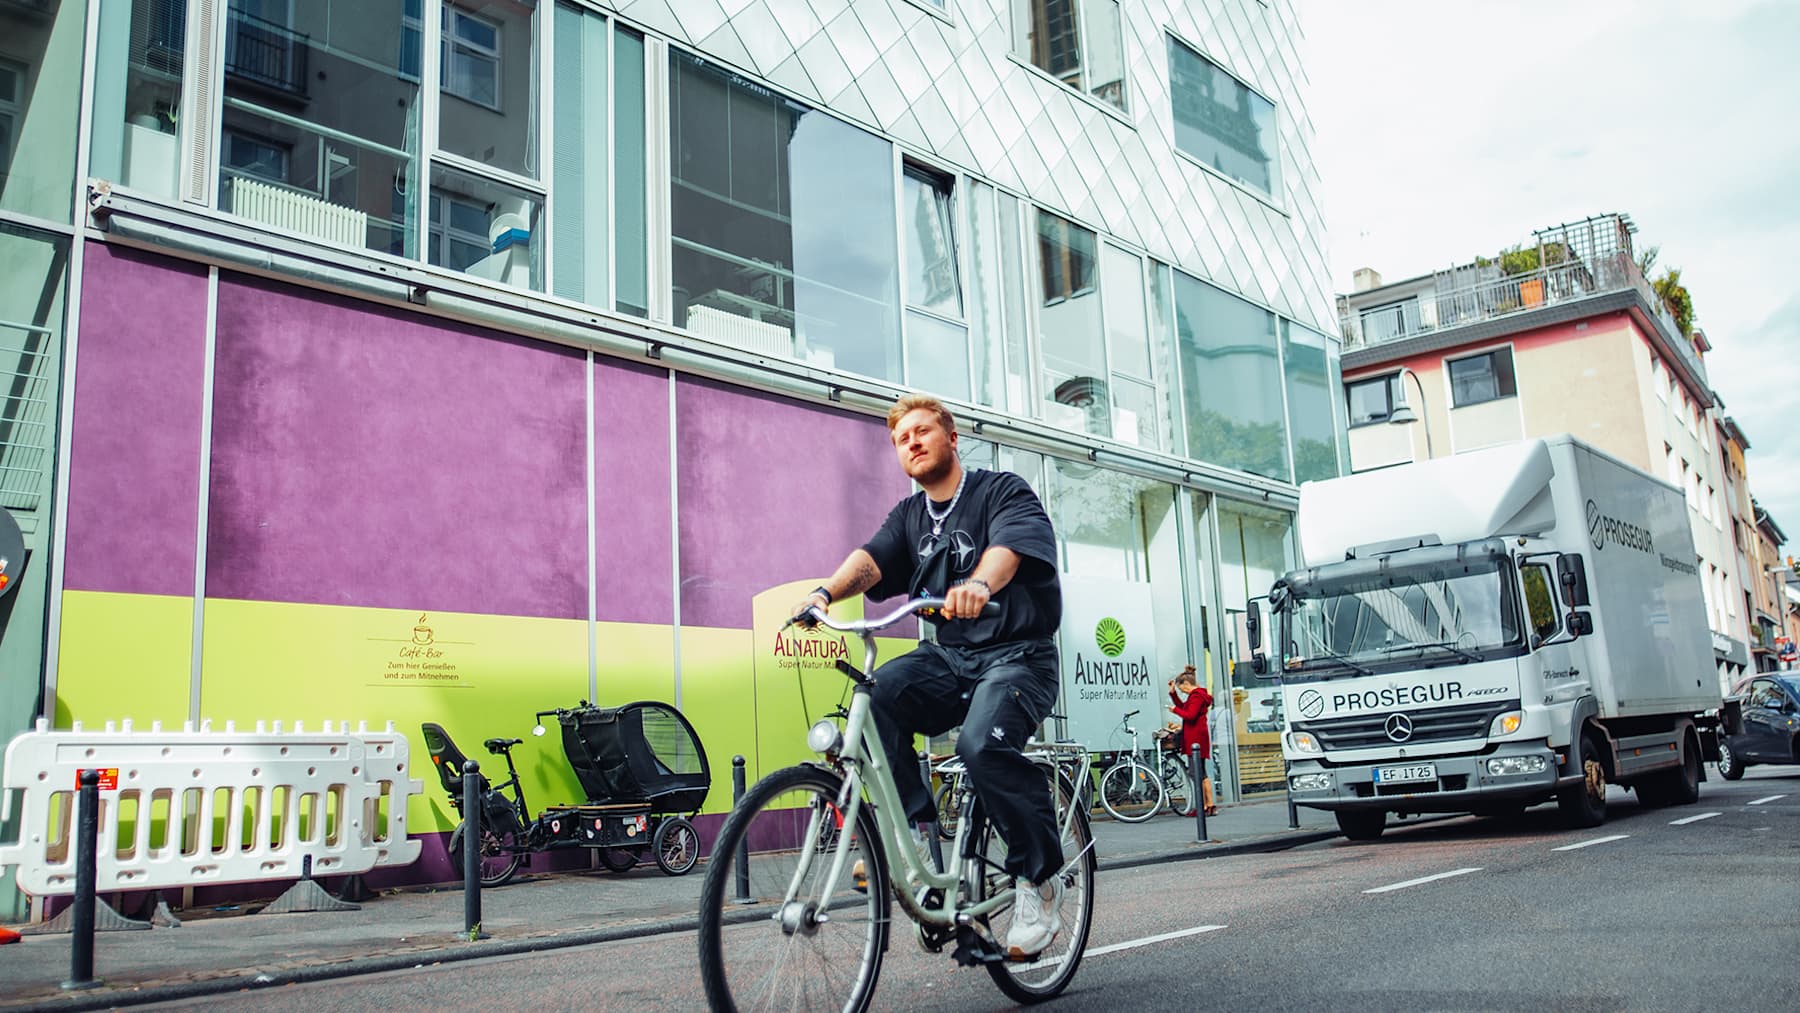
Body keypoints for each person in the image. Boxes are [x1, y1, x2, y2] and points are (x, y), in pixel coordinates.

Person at [793, 393, 1065, 959]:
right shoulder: (910, 517)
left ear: (951, 436)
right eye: (900, 439)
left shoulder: (1001, 491)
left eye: (922, 431)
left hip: (1018, 656)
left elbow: (1009, 549)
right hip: (953, 658)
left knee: (980, 747)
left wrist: (981, 585)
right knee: (881, 694)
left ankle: (1039, 882)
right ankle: (914, 832)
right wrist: (824, 592)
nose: (911, 442)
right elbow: (872, 559)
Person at [1167, 665, 1216, 815]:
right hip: (1198, 736)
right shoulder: (1198, 696)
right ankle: (1210, 805)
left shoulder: (1196, 696)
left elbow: (1190, 715)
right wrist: (1173, 695)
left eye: (1182, 689)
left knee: (1196, 774)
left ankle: (1204, 807)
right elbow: (1185, 707)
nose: (1183, 692)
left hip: (1195, 737)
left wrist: (1174, 710)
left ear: (1187, 684)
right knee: (1201, 773)